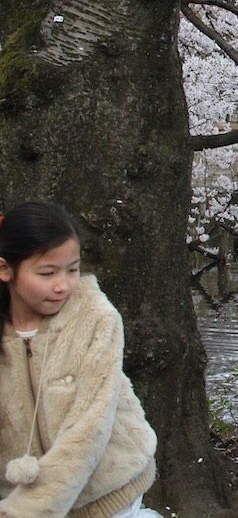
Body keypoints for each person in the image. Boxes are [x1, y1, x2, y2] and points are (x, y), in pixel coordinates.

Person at [0, 201, 159, 518]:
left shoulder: (96, 318)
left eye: (72, 269)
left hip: (105, 493)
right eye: (48, 273)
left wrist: (26, 511)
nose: (63, 285)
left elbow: (87, 431)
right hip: (16, 497)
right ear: (5, 269)